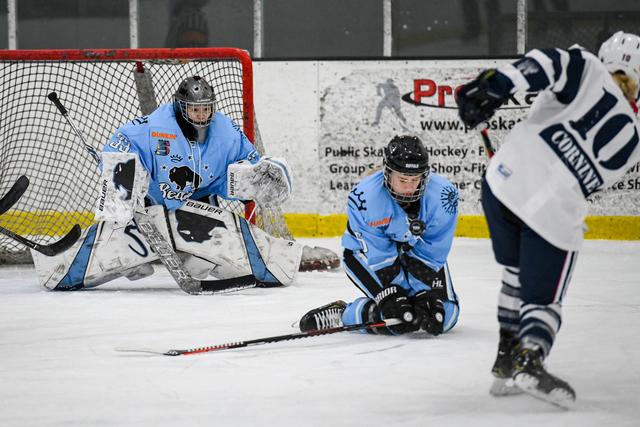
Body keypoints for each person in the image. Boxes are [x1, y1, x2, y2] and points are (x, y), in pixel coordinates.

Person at [455, 31, 640, 408]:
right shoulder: (636, 135)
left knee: (514, 274)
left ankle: (506, 359)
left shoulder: (587, 68)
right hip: (553, 212)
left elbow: (544, 63)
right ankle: (529, 359)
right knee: (543, 299)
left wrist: (494, 85)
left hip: (503, 183)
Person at [31, 76, 334, 292]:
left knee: (260, 267)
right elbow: (120, 144)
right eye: (194, 109)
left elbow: (250, 167)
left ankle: (285, 256)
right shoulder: (155, 126)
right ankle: (60, 265)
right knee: (71, 270)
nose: (201, 115)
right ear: (180, 106)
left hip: (197, 212)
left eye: (206, 109)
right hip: (149, 214)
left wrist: (262, 177)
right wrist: (123, 173)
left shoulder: (227, 133)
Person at [298, 135, 460, 337]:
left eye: (415, 179)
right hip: (366, 255)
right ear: (388, 173)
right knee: (399, 317)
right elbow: (381, 257)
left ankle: (381, 312)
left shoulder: (444, 197)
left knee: (444, 317)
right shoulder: (364, 198)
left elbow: (432, 251)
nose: (409, 187)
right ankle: (345, 314)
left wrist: (422, 292)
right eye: (402, 179)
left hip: (415, 253)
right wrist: (396, 296)